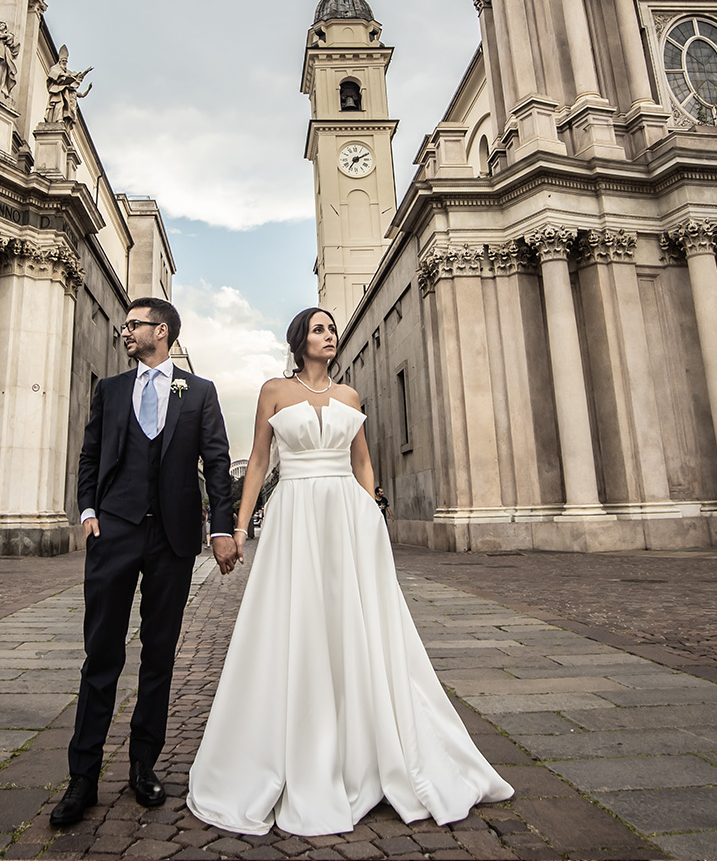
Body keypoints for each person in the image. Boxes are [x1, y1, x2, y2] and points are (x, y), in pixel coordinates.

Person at [186, 308, 513, 836]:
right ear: (299, 341)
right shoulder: (274, 390)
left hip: (348, 520)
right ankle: (297, 747)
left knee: (355, 623)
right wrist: (239, 528)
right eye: (319, 329)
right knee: (298, 623)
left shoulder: (351, 398)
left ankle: (368, 748)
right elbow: (260, 461)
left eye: (333, 329)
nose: (330, 336)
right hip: (295, 516)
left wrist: (371, 513)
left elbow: (363, 461)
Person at [50, 297, 237, 827]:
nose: (124, 330)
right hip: (115, 530)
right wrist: (88, 510)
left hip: (174, 538)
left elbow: (217, 462)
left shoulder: (198, 392)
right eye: (125, 324)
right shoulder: (109, 390)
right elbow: (90, 454)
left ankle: (142, 765)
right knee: (101, 653)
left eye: (134, 324)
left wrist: (220, 527)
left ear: (163, 330)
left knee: (159, 656)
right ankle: (82, 776)